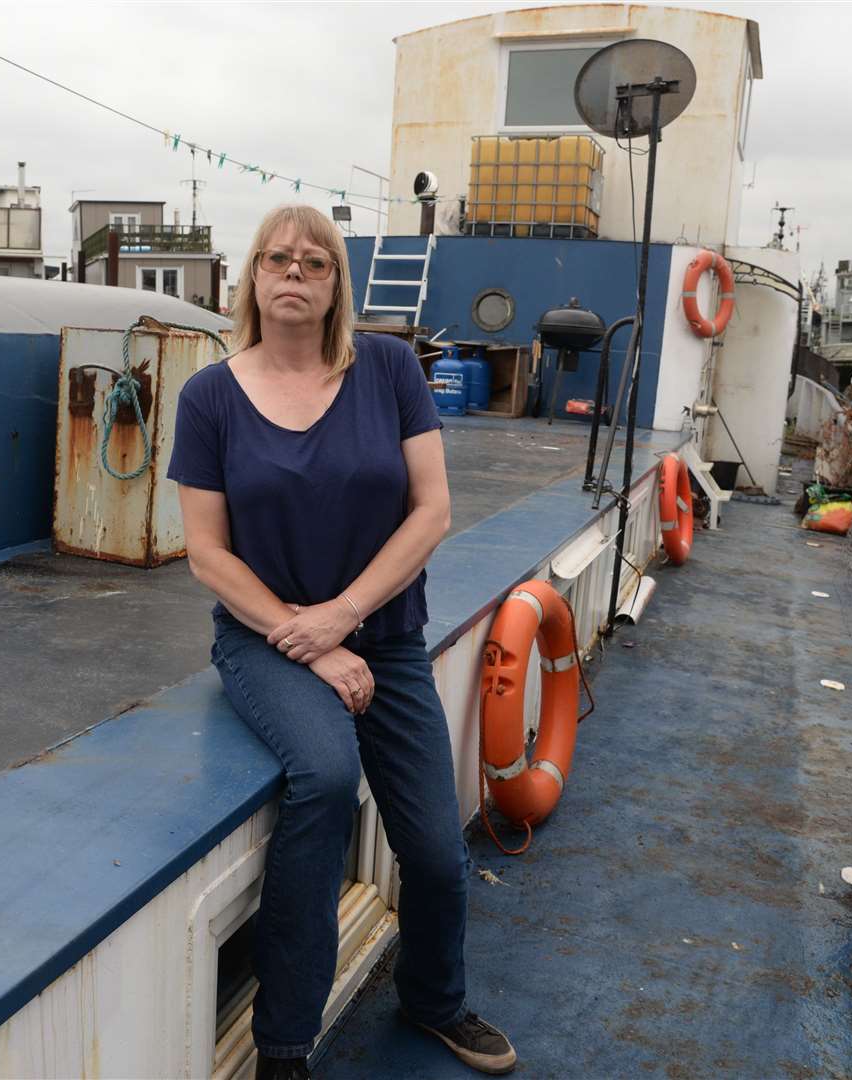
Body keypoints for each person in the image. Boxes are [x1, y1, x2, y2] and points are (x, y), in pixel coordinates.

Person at [167, 204, 517, 1080]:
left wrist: (344, 617)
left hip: (386, 638)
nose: (294, 274)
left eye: (313, 263)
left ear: (335, 285)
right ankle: (285, 1043)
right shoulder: (209, 395)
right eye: (277, 260)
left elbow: (431, 509)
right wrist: (312, 639)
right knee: (323, 778)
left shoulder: (388, 369)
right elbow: (208, 554)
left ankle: (435, 1000)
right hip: (262, 638)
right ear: (252, 277)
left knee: (436, 854)